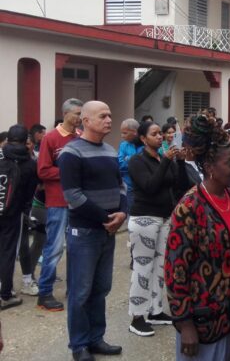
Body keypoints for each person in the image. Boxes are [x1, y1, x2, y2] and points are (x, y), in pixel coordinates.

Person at [165, 115, 230, 360]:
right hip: (203, 309)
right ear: (210, 168)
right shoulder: (190, 207)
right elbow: (175, 268)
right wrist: (184, 323)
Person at [59, 101, 126, 360]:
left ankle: (96, 338)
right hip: (85, 233)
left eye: (110, 115)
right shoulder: (71, 153)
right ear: (85, 121)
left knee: (101, 289)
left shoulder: (110, 151)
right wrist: (107, 218)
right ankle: (79, 345)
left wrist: (122, 212)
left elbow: (121, 186)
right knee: (80, 292)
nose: (109, 120)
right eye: (103, 116)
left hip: (107, 231)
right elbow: (72, 196)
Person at [127, 121, 186, 337]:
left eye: (160, 133)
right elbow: (150, 186)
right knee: (143, 268)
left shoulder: (165, 158)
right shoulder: (137, 161)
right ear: (143, 139)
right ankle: (137, 317)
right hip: (145, 218)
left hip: (164, 218)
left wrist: (178, 162)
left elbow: (178, 185)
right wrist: (166, 162)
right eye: (154, 134)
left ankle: (155, 310)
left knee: (160, 267)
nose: (160, 137)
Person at [37, 98, 82, 312]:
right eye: (77, 114)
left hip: (77, 202)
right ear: (66, 114)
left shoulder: (80, 137)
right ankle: (44, 292)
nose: (80, 118)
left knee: (76, 248)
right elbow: (43, 170)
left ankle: (72, 289)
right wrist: (68, 172)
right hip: (57, 201)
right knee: (54, 248)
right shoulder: (51, 139)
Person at [0, 126, 39, 310]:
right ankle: (5, 295)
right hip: (14, 214)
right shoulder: (30, 164)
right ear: (26, 141)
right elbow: (30, 193)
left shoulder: (1, 156)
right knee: (8, 253)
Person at [118, 119, 142, 211]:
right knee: (131, 214)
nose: (122, 136)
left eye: (125, 133)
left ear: (135, 132)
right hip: (129, 186)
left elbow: (143, 164)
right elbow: (120, 165)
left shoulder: (145, 144)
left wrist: (128, 158)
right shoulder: (123, 145)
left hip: (144, 186)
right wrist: (133, 159)